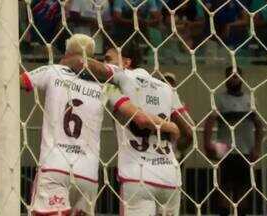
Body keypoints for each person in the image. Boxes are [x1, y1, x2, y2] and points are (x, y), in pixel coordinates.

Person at [0, 34, 180, 215]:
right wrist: (170, 125)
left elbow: (1, 82)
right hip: (88, 176)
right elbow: (137, 115)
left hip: (55, 167)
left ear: (67, 55)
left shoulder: (52, 72)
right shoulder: (104, 86)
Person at [62, 45, 191, 215]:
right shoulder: (166, 88)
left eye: (108, 59)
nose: (104, 62)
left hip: (138, 177)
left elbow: (81, 63)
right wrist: (172, 143)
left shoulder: (123, 77)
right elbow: (188, 134)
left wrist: (66, 60)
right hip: (171, 178)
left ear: (126, 62)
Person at [203, 66, 263, 216]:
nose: (234, 79)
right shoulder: (219, 99)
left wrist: (257, 148)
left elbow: (259, 125)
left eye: (236, 76)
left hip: (245, 153)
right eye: (231, 76)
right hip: (226, 153)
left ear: (241, 79)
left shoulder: (250, 99)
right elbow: (209, 122)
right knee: (223, 190)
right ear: (226, 79)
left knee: (243, 191)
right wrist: (207, 143)